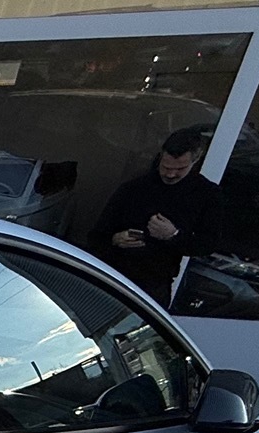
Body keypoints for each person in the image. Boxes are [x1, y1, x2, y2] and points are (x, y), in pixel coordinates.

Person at [89, 127, 223, 304]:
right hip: (113, 275)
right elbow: (96, 235)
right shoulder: (134, 188)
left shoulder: (206, 195)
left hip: (155, 284)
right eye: (166, 167)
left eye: (180, 169)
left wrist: (173, 235)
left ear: (196, 160)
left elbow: (207, 244)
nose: (170, 174)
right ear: (161, 156)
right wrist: (115, 239)